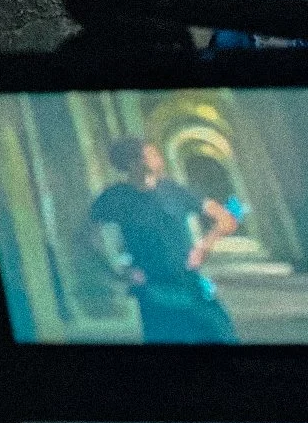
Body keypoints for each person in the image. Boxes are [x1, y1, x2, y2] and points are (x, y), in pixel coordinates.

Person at [89, 137, 239, 343]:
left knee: (221, 336)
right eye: (151, 154)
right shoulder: (115, 198)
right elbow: (88, 237)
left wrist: (204, 246)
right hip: (151, 289)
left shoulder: (173, 190)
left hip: (190, 282)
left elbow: (226, 219)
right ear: (133, 163)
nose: (159, 159)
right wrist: (116, 269)